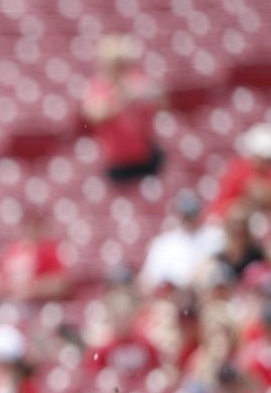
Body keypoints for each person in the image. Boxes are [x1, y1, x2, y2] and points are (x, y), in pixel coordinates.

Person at [80, 34, 165, 183]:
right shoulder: (99, 86)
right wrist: (121, 98)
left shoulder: (138, 80)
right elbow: (93, 114)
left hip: (145, 155)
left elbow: (161, 101)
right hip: (118, 161)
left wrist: (140, 92)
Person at [137, 190, 224, 293]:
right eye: (186, 215)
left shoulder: (215, 235)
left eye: (192, 213)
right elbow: (147, 279)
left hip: (203, 295)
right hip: (170, 297)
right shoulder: (164, 243)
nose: (189, 218)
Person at [207, 123, 271, 221]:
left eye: (268, 159)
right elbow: (219, 207)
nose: (265, 162)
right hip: (236, 224)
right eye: (262, 158)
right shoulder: (238, 170)